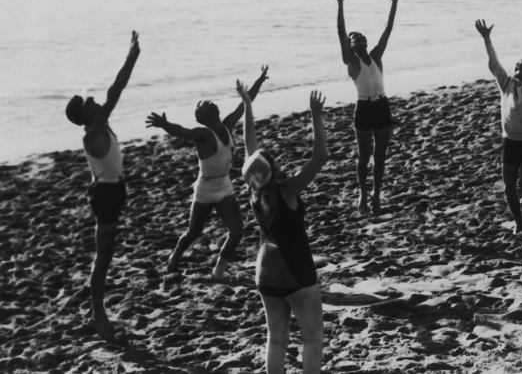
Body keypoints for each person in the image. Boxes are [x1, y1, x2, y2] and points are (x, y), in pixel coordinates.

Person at [238, 81, 328, 374]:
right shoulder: (287, 190)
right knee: (313, 337)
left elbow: (249, 147)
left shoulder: (255, 192)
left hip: (265, 268)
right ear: (274, 168)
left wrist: (248, 106)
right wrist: (316, 115)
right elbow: (319, 159)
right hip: (295, 267)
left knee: (276, 339)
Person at [145, 65, 269, 277]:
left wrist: (259, 80)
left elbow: (245, 103)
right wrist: (164, 124)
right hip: (205, 188)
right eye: (205, 105)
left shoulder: (227, 124)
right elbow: (182, 132)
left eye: (211, 103)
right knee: (193, 233)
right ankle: (174, 258)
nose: (211, 103)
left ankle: (219, 269)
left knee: (237, 230)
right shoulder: (202, 133)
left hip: (224, 185)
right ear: (202, 116)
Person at [65, 30, 140, 344]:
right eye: (90, 102)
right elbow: (116, 90)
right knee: (103, 257)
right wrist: (132, 55)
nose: (96, 101)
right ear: (85, 114)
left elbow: (111, 94)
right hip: (106, 195)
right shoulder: (91, 131)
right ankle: (98, 313)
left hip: (112, 191)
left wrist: (132, 56)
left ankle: (95, 309)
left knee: (105, 255)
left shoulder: (99, 124)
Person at [329, 0, 403, 215]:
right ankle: (362, 194)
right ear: (350, 47)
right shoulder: (351, 62)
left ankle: (377, 195)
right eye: (355, 38)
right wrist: (340, 4)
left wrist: (394, 3)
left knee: (380, 156)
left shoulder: (376, 56)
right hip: (363, 108)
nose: (359, 38)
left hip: (382, 106)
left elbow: (388, 29)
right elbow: (341, 32)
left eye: (361, 36)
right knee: (364, 158)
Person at [475, 16, 522, 233]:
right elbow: (493, 65)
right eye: (517, 65)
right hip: (510, 142)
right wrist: (487, 40)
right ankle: (518, 222)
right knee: (509, 188)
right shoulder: (506, 84)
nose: (519, 66)